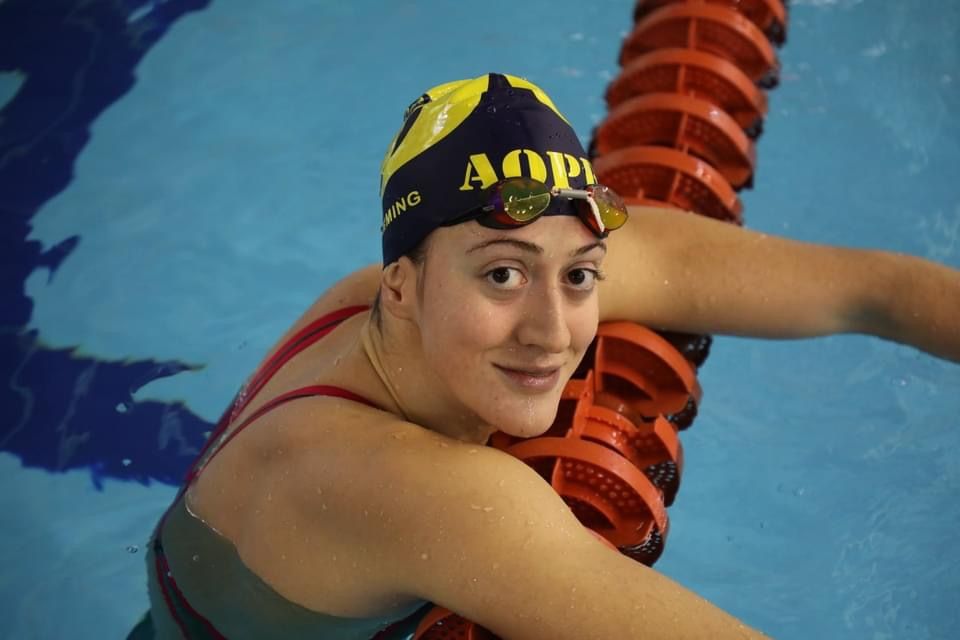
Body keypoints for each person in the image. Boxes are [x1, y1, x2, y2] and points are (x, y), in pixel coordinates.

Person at [130, 73, 960, 640]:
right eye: (503, 275)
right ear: (403, 285)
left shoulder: (377, 300)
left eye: (579, 275)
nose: (552, 331)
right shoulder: (422, 496)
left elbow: (873, 289)